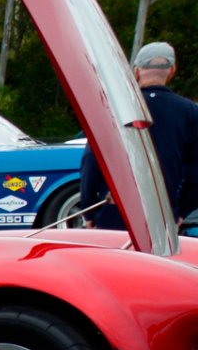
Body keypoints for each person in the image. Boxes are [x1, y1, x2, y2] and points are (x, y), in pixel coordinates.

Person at [76, 42, 198, 229]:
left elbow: (92, 162)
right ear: (172, 71)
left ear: (137, 71)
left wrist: (88, 210)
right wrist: (181, 211)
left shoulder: (113, 108)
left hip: (115, 211)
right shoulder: (189, 112)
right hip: (163, 213)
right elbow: (195, 169)